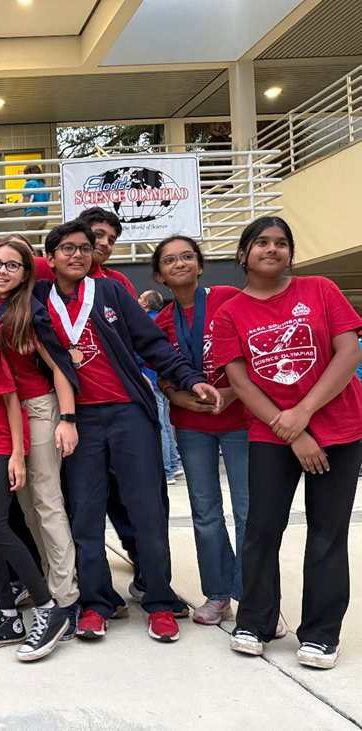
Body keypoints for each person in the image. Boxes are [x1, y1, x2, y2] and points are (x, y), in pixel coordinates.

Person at [38, 221, 220, 643]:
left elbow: (153, 343)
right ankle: (97, 603)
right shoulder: (38, 300)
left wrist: (190, 378)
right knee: (85, 514)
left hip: (128, 413)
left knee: (147, 511)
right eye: (67, 248)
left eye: (85, 248)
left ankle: (159, 601)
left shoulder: (110, 292)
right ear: (50, 259)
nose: (78, 255)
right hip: (78, 419)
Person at [213, 217, 362, 670]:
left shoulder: (320, 290)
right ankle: (255, 622)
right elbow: (240, 382)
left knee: (328, 534)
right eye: (261, 242)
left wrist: (303, 414)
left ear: (290, 253)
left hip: (338, 429)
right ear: (243, 254)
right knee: (261, 530)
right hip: (272, 433)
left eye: (281, 243)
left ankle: (320, 635)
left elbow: (349, 353)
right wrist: (293, 431)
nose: (272, 249)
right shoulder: (230, 313)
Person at [0, 236, 83, 636]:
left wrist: (68, 418)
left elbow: (59, 367)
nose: (1, 271)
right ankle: (45, 585)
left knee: (46, 502)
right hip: (3, 416)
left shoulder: (31, 312)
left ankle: (66, 599)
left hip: (36, 407)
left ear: (27, 274)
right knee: (24, 509)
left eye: (12, 265)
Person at [149, 237, 249, 627]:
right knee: (205, 513)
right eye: (170, 260)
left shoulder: (228, 299)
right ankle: (219, 593)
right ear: (159, 274)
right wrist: (176, 396)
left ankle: (255, 596)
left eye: (188, 256)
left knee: (248, 511)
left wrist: (232, 392)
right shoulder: (160, 322)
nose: (180, 264)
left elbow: (253, 351)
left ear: (201, 265)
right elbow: (162, 373)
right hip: (192, 425)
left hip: (240, 420)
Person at [138, 289, 183, 485]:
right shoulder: (164, 320)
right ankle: (174, 463)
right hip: (166, 380)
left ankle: (167, 470)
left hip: (151, 379)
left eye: (140, 298)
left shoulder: (144, 322)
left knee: (160, 425)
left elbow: (141, 352)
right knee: (166, 422)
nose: (137, 300)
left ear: (146, 303)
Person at [22, 164, 50, 246]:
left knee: (30, 243)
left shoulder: (29, 184)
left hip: (33, 214)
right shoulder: (44, 186)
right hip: (44, 216)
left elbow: (25, 203)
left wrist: (17, 203)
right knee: (38, 244)